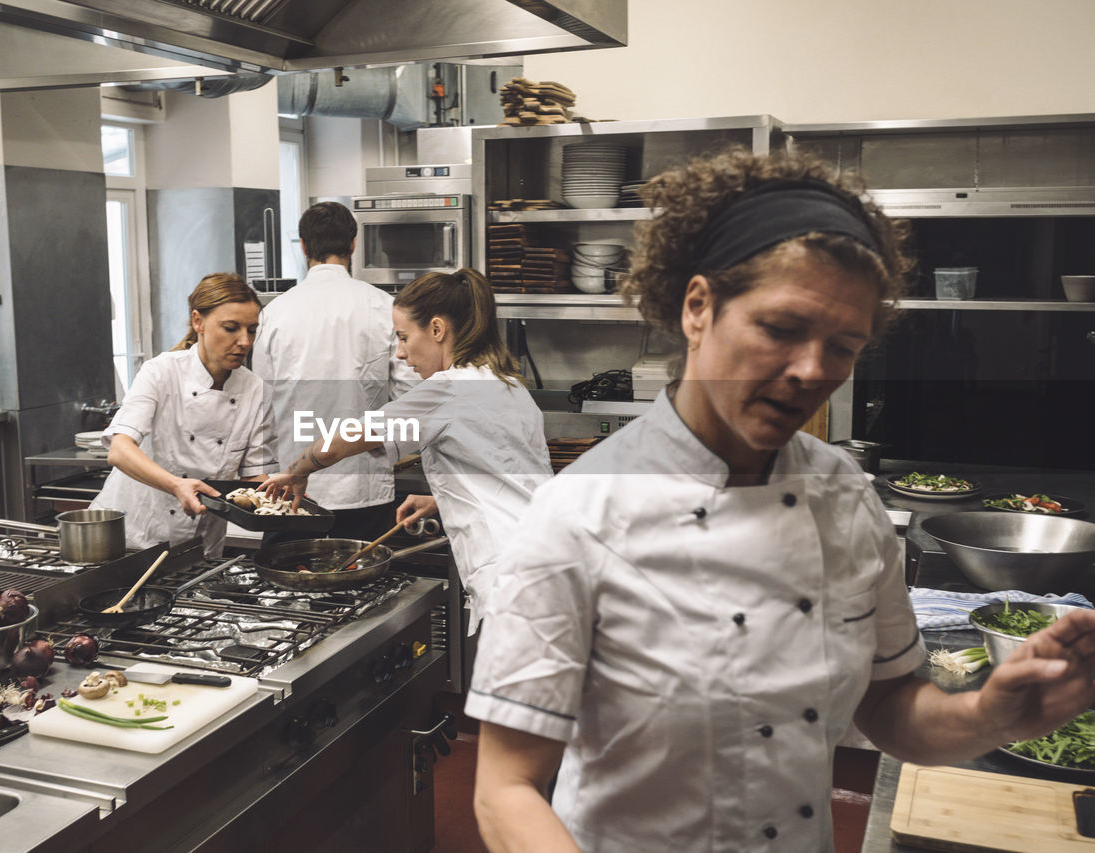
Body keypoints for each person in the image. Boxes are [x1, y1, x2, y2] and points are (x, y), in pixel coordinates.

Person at [466, 149, 1095, 852]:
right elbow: (505, 788)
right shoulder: (578, 515)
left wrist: (992, 715)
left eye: (843, 346)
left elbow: (889, 705)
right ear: (698, 307)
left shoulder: (848, 502)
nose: (811, 370)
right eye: (782, 328)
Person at [259, 267, 552, 627]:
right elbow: (505, 475)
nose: (399, 353)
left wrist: (297, 471)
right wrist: (439, 500)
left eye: (403, 337)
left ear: (437, 330)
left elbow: (346, 439)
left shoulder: (448, 389)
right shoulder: (509, 386)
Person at [251, 201, 419, 543]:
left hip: (292, 491)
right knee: (363, 588)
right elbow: (409, 398)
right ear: (353, 244)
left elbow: (262, 407)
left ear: (303, 246)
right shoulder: (383, 307)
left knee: (287, 590)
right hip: (364, 488)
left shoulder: (275, 313)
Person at [91, 272, 274, 558]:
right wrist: (177, 485)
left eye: (251, 329)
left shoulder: (255, 390)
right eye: (231, 328)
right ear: (198, 321)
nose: (245, 341)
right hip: (135, 537)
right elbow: (119, 450)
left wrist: (280, 494)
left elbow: (251, 477)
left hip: (202, 544)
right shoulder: (161, 371)